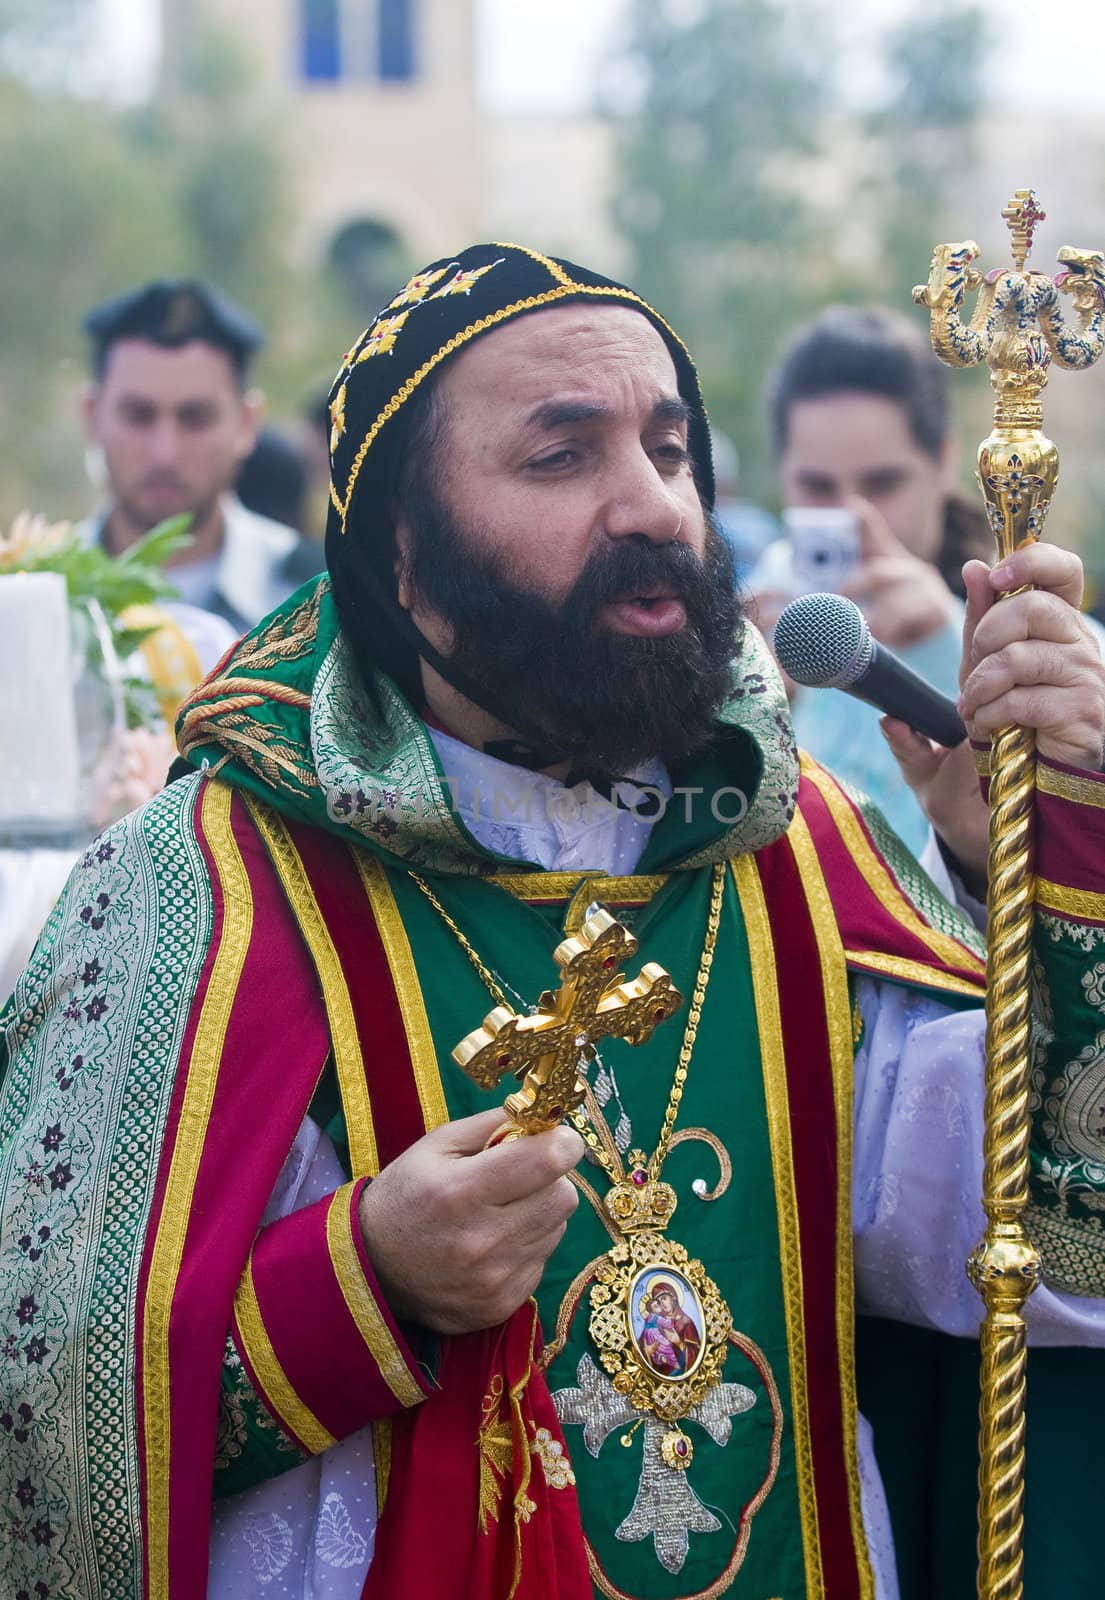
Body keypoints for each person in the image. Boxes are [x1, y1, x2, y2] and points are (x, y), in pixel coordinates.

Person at [2, 244, 1105, 1600]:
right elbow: (44, 1427)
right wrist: (363, 1281)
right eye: (559, 458)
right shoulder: (210, 884)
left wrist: (1042, 864)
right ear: (401, 553)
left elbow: (1051, 1265)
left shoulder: (805, 855)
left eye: (667, 446)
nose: (652, 507)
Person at [752, 306, 1022, 854]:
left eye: (883, 483)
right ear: (782, 473)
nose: (855, 516)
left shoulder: (1038, 641)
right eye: (817, 486)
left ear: (944, 463)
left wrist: (958, 640)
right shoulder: (733, 633)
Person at [79, 278, 324, 651]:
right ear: (92, 416)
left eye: (196, 418)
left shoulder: (317, 601)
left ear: (246, 423)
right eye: (139, 416)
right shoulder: (29, 595)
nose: (165, 453)